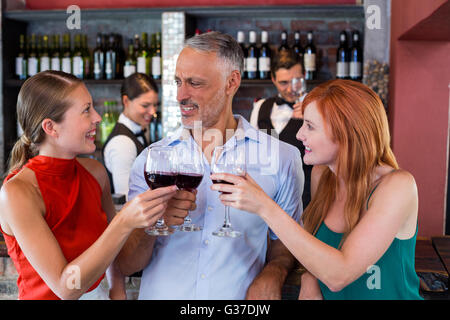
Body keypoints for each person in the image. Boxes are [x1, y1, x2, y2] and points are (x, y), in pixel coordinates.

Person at [116, 31, 304, 300]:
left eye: (195, 83)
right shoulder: (151, 160)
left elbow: (284, 243)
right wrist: (156, 222)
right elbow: (127, 264)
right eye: (178, 82)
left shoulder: (281, 157)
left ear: (232, 82)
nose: (181, 95)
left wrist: (274, 272)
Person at [211, 79, 423, 300]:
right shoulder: (323, 175)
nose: (300, 134)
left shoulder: (398, 186)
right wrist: (309, 276)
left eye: (310, 126)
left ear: (347, 133)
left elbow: (340, 274)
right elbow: (315, 253)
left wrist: (264, 206)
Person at [0, 71, 177, 300]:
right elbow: (66, 287)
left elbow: (116, 254)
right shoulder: (17, 192)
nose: (98, 118)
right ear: (51, 127)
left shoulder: (95, 173)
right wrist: (123, 221)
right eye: (86, 110)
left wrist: (117, 290)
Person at [249, 50, 312, 207]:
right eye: (284, 83)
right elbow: (253, 153)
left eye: (296, 80)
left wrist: (310, 119)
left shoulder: (317, 108)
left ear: (304, 75)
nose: (291, 89)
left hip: (306, 196)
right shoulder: (260, 107)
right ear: (273, 79)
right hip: (268, 197)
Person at [103, 73, 159, 199]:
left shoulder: (138, 130)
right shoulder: (122, 143)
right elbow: (127, 198)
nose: (153, 112)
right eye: (145, 105)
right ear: (126, 101)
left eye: (155, 105)